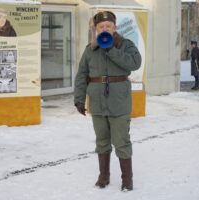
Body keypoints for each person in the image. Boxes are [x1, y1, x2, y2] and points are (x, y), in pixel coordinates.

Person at [74, 11, 141, 191]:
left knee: (121, 141)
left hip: (119, 102)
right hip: (97, 103)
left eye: (108, 26)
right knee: (101, 141)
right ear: (96, 29)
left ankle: (127, 179)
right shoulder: (90, 49)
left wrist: (111, 50)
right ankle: (104, 176)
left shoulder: (125, 45)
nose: (105, 29)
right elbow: (81, 75)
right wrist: (79, 99)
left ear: (114, 27)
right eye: (101, 27)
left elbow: (135, 63)